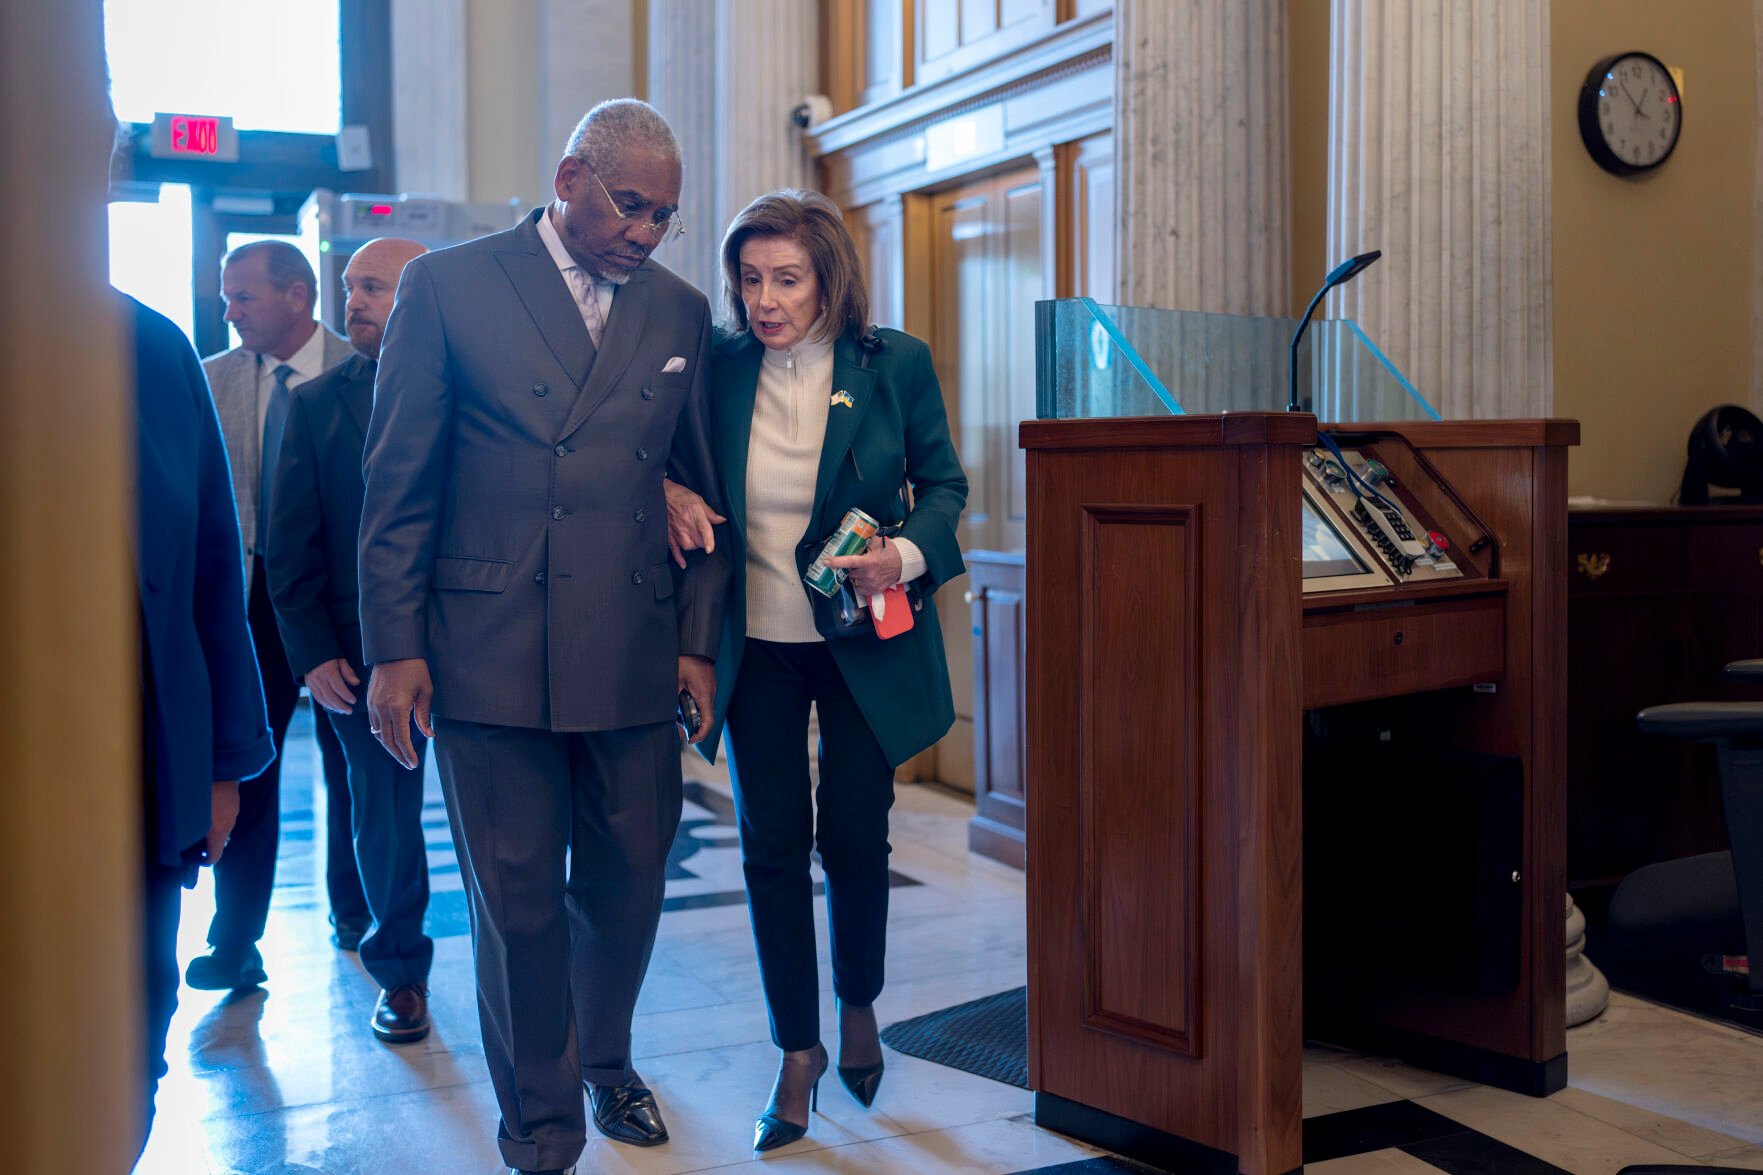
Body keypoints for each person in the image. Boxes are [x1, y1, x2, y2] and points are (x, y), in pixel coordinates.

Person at [357, 99, 728, 1175]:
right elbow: (397, 483)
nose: (647, 232)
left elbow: (696, 485)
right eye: (630, 205)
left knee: (629, 882)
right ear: (569, 175)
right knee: (514, 903)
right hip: (486, 647)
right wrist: (393, 645)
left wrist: (697, 644)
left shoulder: (678, 309)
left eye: (664, 213)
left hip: (628, 642)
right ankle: (542, 1130)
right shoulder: (448, 284)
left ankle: (604, 1055)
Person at [665, 189, 967, 1152]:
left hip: (860, 643)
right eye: (749, 279)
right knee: (769, 845)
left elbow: (946, 484)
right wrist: (669, 482)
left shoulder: (894, 364)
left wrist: (905, 556)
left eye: (785, 279)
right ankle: (797, 1050)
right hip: (757, 646)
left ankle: (861, 1003)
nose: (764, 299)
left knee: (853, 834)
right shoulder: (716, 366)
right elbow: (663, 457)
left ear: (829, 276)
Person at [265, 237, 436, 1045]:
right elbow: (288, 544)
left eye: (372, 285)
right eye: (348, 286)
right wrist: (311, 653)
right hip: (357, 656)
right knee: (383, 816)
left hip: (477, 644)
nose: (353, 300)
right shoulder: (315, 403)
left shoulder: (479, 396)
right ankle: (399, 974)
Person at [189, 240, 368, 991]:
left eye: (243, 297)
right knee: (249, 763)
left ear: (298, 296)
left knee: (354, 762)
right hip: (247, 600)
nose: (227, 312)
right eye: (227, 298)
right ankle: (235, 942)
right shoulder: (210, 380)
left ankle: (357, 915)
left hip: (343, 600)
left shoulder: (363, 376)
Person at [126, 287, 276, 1154]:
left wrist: (224, 761)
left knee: (131, 1008)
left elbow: (214, 569)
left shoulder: (149, 345)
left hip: (138, 749)